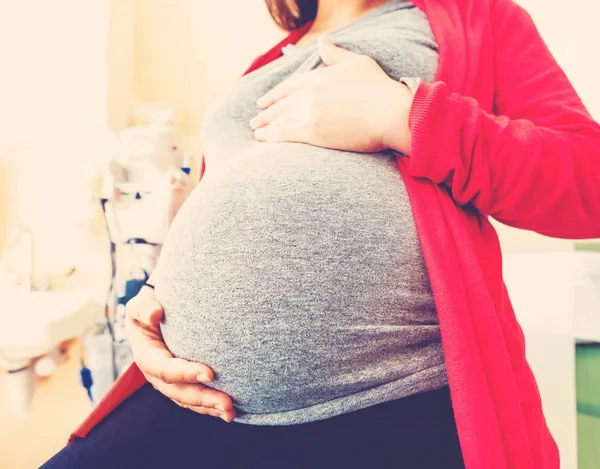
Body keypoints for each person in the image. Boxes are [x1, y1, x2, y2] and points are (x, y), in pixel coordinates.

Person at [42, 0, 600, 468]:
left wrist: (404, 117)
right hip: (197, 398)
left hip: (385, 399)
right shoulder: (268, 60)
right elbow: (222, 208)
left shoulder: (475, 18)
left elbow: (588, 183)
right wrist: (154, 309)